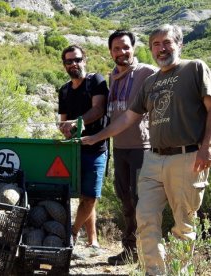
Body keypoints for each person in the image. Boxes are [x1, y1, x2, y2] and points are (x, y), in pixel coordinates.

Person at [82, 24, 211, 275]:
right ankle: (155, 271)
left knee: (183, 225)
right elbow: (128, 118)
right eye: (156, 44)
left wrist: (207, 147)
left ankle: (178, 272)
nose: (161, 49)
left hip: (188, 157)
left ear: (179, 44)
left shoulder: (194, 68)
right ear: (150, 48)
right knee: (145, 218)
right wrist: (97, 136)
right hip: (154, 157)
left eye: (167, 43)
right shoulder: (151, 81)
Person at [106, 30, 157, 265]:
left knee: (141, 201)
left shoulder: (147, 72)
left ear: (133, 48)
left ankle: (146, 253)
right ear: (111, 52)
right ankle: (129, 251)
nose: (121, 52)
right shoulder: (112, 76)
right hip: (120, 147)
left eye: (126, 47)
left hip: (142, 147)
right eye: (116, 48)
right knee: (125, 199)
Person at [58, 45, 109, 249]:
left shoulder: (96, 81)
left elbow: (98, 109)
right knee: (85, 196)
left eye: (77, 60)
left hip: (96, 147)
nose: (73, 64)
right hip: (74, 150)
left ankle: (71, 233)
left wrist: (76, 123)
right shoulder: (64, 90)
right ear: (64, 65)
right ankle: (93, 240)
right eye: (69, 61)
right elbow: (63, 121)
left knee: (90, 197)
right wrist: (65, 129)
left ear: (84, 60)